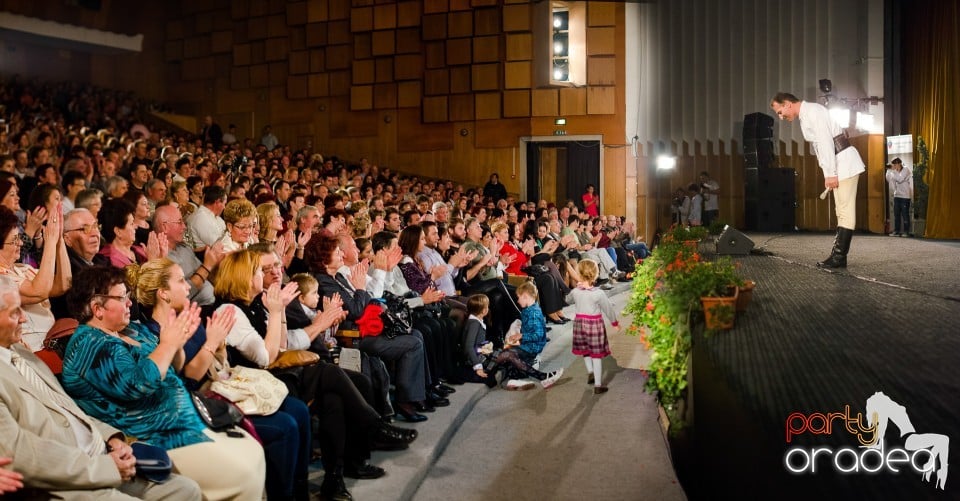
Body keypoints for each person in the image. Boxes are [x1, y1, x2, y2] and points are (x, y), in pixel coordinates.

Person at [60, 266, 267, 500]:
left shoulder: (133, 330)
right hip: (157, 437)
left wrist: (177, 343)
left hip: (183, 422)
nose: (129, 303)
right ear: (97, 309)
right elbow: (137, 385)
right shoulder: (89, 344)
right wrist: (167, 344)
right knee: (244, 473)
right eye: (121, 298)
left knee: (254, 453)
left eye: (128, 295)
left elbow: (173, 369)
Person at [0, 275, 203, 500]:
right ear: (97, 309)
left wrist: (112, 439)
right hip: (67, 478)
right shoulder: (89, 343)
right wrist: (106, 467)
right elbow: (21, 453)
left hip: (104, 448)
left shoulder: (23, 354)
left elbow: (69, 409)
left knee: (187, 490)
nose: (24, 320)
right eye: (14, 312)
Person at [133, 258, 311, 501]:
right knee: (285, 427)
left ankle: (299, 491)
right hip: (201, 403)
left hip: (220, 388)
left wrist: (218, 345)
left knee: (299, 410)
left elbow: (217, 363)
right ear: (163, 293)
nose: (189, 286)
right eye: (180, 281)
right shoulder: (153, 334)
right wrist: (211, 343)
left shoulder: (188, 317)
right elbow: (188, 380)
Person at [770, 92, 865, 268]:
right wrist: (828, 171)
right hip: (839, 163)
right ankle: (838, 256)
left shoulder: (814, 111)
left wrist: (830, 173)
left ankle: (839, 256)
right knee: (841, 212)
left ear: (788, 104)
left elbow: (825, 142)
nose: (781, 117)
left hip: (843, 162)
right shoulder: (807, 115)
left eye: (780, 112)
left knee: (845, 211)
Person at [0, 205, 70, 352]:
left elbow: (62, 285)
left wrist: (58, 240)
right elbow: (39, 291)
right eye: (14, 240)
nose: (20, 243)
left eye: (19, 238)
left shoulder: (23, 268)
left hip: (52, 343)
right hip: (33, 351)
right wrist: (49, 241)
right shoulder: (2, 279)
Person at [461, 294, 562, 390]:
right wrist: (478, 367)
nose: (488, 308)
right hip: (479, 360)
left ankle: (513, 380)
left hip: (483, 355)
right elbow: (469, 346)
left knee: (510, 352)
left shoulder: (476, 321)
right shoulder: (474, 323)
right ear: (483, 310)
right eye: (487, 306)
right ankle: (542, 377)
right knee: (509, 354)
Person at [565, 259, 620, 395]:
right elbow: (608, 309)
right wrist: (614, 322)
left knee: (585, 350)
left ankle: (590, 372)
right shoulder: (598, 293)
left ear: (579, 273)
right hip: (594, 325)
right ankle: (597, 384)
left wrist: (576, 289)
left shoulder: (576, 292)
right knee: (596, 354)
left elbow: (567, 300)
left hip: (579, 324)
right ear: (595, 274)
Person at [885, 158, 913, 237]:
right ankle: (897, 231)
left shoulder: (905, 169)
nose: (894, 166)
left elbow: (900, 179)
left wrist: (893, 171)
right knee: (896, 215)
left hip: (905, 196)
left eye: (895, 165)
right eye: (893, 165)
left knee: (905, 215)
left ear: (899, 163)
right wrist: (888, 170)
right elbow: (888, 179)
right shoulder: (894, 171)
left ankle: (906, 232)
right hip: (897, 195)